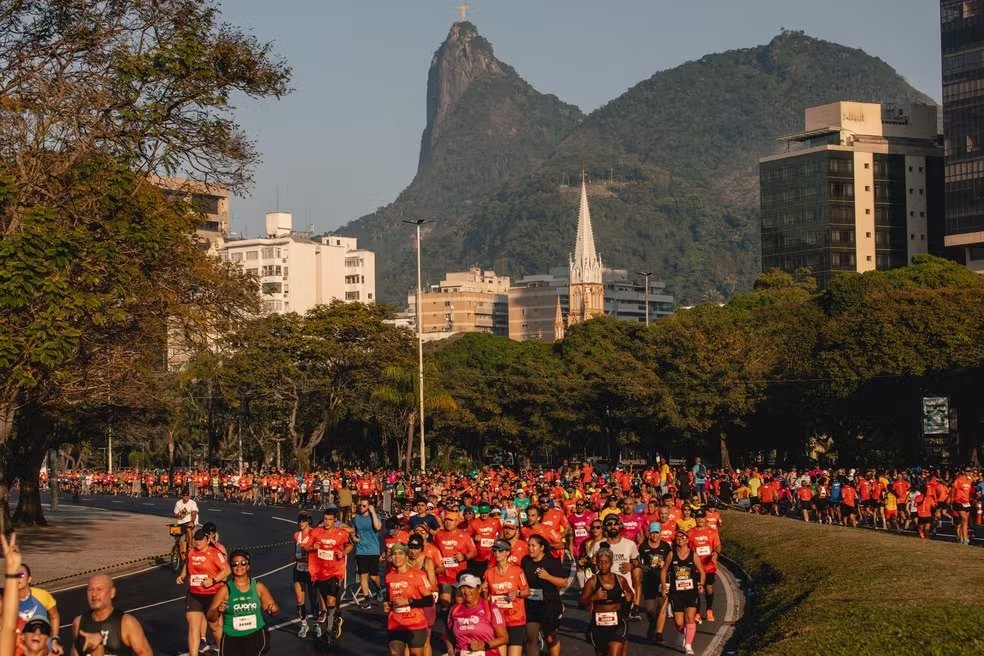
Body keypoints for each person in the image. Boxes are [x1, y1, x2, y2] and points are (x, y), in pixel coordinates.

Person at [206, 550, 278, 656]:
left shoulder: (258, 587)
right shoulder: (225, 590)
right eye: (235, 564)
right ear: (231, 567)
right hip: (232, 637)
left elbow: (273, 609)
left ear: (248, 566)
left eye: (243, 563)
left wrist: (273, 609)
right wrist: (217, 610)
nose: (239, 566)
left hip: (255, 635)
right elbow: (210, 617)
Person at [302, 505, 352, 645]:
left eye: (330, 520)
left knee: (330, 601)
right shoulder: (316, 532)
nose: (327, 522)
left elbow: (349, 545)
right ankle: (336, 617)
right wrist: (313, 547)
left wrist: (343, 553)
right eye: (325, 519)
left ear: (335, 520)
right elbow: (305, 547)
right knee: (328, 600)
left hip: (335, 571)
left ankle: (329, 631)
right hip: (319, 572)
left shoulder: (341, 533)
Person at [178, 528, 231, 656]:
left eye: (201, 540)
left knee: (214, 626)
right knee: (193, 627)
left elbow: (227, 570)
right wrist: (182, 575)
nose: (198, 542)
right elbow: (188, 563)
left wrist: (213, 581)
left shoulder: (215, 553)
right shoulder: (192, 552)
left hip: (213, 595)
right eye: (196, 540)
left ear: (207, 540)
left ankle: (223, 650)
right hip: (194, 595)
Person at [71, 574, 153, 656]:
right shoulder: (79, 623)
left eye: (99, 589)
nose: (94, 594)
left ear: (112, 593)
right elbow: (75, 652)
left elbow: (145, 653)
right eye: (90, 590)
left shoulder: (127, 623)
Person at [383, 543, 434, 656]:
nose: (397, 557)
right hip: (396, 623)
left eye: (400, 553)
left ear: (406, 557)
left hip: (415, 624)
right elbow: (390, 598)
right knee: (395, 654)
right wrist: (387, 604)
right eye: (394, 554)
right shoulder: (389, 577)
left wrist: (409, 601)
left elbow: (430, 601)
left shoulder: (418, 575)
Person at [579, 546, 632, 656]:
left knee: (615, 649)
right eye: (600, 562)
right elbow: (582, 602)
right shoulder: (592, 582)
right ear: (596, 563)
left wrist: (629, 596)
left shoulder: (620, 579)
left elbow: (630, 594)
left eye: (606, 562)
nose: (603, 565)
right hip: (598, 626)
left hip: (617, 624)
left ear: (611, 562)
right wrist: (593, 598)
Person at [520, 535, 566, 656]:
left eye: (533, 546)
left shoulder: (551, 561)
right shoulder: (525, 561)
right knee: (531, 638)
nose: (530, 548)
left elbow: (564, 582)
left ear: (541, 547)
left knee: (550, 638)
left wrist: (548, 577)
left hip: (549, 605)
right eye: (529, 545)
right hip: (531, 605)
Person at [661, 531, 705, 656]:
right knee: (679, 622)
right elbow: (664, 570)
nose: (679, 539)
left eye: (682, 537)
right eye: (678, 537)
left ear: (687, 540)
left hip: (691, 592)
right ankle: (681, 632)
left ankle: (688, 645)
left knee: (690, 618)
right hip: (676, 592)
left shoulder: (693, 555)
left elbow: (702, 572)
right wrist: (664, 586)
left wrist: (701, 584)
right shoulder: (671, 554)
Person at [484, 540, 529, 656]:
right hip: (497, 621)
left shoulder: (518, 571)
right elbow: (485, 598)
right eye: (495, 550)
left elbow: (526, 591)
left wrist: (517, 593)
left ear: (508, 552)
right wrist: (483, 591)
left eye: (500, 550)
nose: (497, 553)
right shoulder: (488, 573)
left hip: (515, 620)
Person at [446, 573, 507, 656]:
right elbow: (448, 635)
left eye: (470, 587)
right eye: (463, 588)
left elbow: (504, 638)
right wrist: (450, 650)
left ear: (479, 589)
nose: (466, 591)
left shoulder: (491, 607)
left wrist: (484, 645)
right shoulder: (454, 609)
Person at [10, 563, 62, 655]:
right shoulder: (7, 602)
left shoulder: (43, 596)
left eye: (21, 575)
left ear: (29, 578)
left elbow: (54, 616)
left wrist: (55, 639)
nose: (17, 578)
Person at [638, 522, 671, 644]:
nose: (655, 535)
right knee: (650, 609)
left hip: (663, 580)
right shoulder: (643, 546)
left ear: (660, 533)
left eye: (657, 533)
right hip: (649, 579)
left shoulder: (666, 546)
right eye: (652, 533)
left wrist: (665, 565)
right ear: (649, 533)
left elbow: (671, 561)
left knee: (662, 607)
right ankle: (653, 624)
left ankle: (659, 634)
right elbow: (637, 561)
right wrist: (643, 567)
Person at [352, 499, 383, 608]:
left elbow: (378, 527)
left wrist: (373, 512)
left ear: (369, 506)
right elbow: (352, 531)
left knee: (373, 577)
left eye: (364, 506)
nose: (361, 507)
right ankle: (366, 599)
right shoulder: (356, 518)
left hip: (373, 550)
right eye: (360, 505)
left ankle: (378, 588)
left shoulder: (375, 516)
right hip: (361, 550)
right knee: (363, 574)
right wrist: (354, 538)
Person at [292, 511, 317, 638]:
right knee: (300, 599)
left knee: (313, 599)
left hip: (311, 570)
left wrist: (308, 552)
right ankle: (303, 624)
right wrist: (298, 557)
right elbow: (295, 551)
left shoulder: (314, 533)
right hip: (299, 569)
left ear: (309, 522)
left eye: (303, 521)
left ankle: (316, 623)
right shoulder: (296, 535)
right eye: (299, 521)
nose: (301, 523)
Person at [173, 488, 200, 559]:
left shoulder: (192, 503)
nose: (186, 497)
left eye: (187, 495)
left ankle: (190, 545)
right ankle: (178, 549)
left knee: (188, 529)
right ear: (182, 496)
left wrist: (192, 522)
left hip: (191, 520)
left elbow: (194, 513)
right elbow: (175, 514)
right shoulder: (178, 503)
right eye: (184, 495)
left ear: (189, 496)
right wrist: (178, 515)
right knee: (176, 534)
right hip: (181, 521)